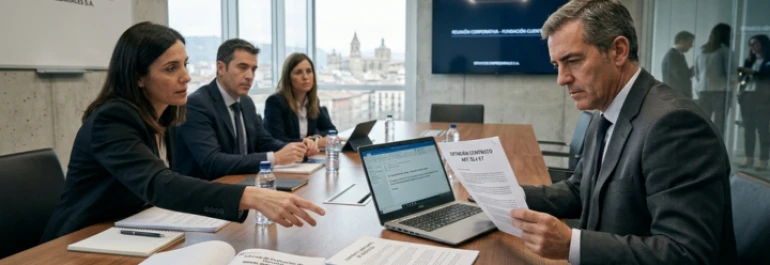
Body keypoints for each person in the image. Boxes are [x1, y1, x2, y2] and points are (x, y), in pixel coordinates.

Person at [41, 22, 324, 242]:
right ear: (138, 77)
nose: (186, 76)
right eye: (171, 68)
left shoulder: (166, 114)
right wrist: (251, 196)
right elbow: (159, 183)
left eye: (185, 64)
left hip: (137, 230)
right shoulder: (112, 119)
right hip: (81, 239)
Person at [509, 1, 736, 264]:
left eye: (573, 61)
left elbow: (685, 253)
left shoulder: (675, 125)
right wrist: (510, 196)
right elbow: (580, 190)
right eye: (556, 65)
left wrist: (571, 244)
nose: (562, 78)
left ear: (618, 51)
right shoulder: (605, 111)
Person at [174, 39, 318, 181]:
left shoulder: (246, 102)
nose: (250, 76)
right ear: (221, 68)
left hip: (243, 181)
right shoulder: (197, 104)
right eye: (242, 67)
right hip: (210, 188)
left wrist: (296, 148)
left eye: (253, 69)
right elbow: (213, 162)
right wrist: (275, 158)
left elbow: (264, 141)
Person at [263, 53, 337, 148]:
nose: (305, 77)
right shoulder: (275, 102)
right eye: (298, 72)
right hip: (285, 156)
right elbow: (277, 140)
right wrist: (313, 143)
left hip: (308, 155)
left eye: (309, 71)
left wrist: (316, 138)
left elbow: (331, 130)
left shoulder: (313, 101)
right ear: (288, 78)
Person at [694, 23, 735, 136]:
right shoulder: (725, 51)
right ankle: (716, 145)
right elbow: (731, 75)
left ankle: (701, 144)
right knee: (719, 124)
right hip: (721, 91)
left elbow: (697, 73)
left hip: (703, 90)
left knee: (703, 122)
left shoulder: (701, 50)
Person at [737, 34, 770, 171]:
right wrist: (741, 88)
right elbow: (742, 79)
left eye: (755, 43)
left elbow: (766, 77)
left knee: (763, 130)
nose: (752, 47)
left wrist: (751, 72)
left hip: (763, 98)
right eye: (750, 44)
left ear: (763, 44)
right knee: (748, 130)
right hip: (747, 97)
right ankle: (749, 158)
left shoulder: (768, 61)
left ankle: (763, 160)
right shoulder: (749, 61)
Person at [661, 31, 695, 98]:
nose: (691, 46)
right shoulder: (672, 55)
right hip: (676, 96)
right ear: (682, 41)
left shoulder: (678, 55)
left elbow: (684, 75)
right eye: (690, 43)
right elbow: (680, 76)